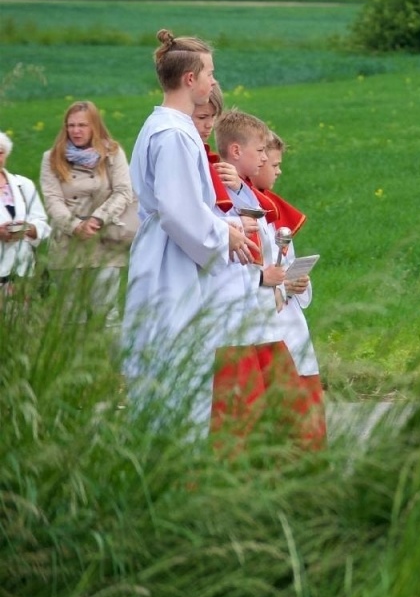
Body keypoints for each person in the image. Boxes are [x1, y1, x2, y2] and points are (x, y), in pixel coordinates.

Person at [124, 30, 257, 433]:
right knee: (174, 372)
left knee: (176, 368)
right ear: (189, 80)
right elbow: (178, 210)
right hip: (169, 264)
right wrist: (225, 236)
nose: (214, 82)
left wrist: (225, 225)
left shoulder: (166, 126)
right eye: (210, 73)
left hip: (169, 254)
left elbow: (186, 207)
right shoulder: (174, 133)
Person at [210, 108, 303, 448]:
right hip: (237, 316)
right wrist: (264, 278)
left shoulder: (245, 191)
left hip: (260, 313)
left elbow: (265, 222)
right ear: (236, 151)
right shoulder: (216, 185)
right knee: (242, 411)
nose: (266, 162)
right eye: (262, 153)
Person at [253, 129, 324, 448]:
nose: (279, 171)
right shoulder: (247, 216)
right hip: (266, 323)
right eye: (275, 164)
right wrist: (277, 283)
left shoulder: (277, 214)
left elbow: (286, 262)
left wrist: (298, 283)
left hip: (290, 319)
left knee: (305, 404)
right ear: (258, 160)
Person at [39, 101, 136, 314]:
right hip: (68, 245)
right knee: (72, 318)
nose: (75, 130)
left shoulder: (112, 153)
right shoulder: (52, 158)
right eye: (71, 125)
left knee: (106, 315)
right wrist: (75, 226)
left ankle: (110, 349)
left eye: (82, 125)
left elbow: (123, 192)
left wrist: (97, 219)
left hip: (103, 240)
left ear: (95, 126)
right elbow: (52, 200)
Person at [0, 130, 51, 296]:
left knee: (21, 319)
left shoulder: (23, 185)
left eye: (0, 152)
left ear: (6, 154)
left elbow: (42, 222)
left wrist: (29, 228)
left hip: (23, 270)